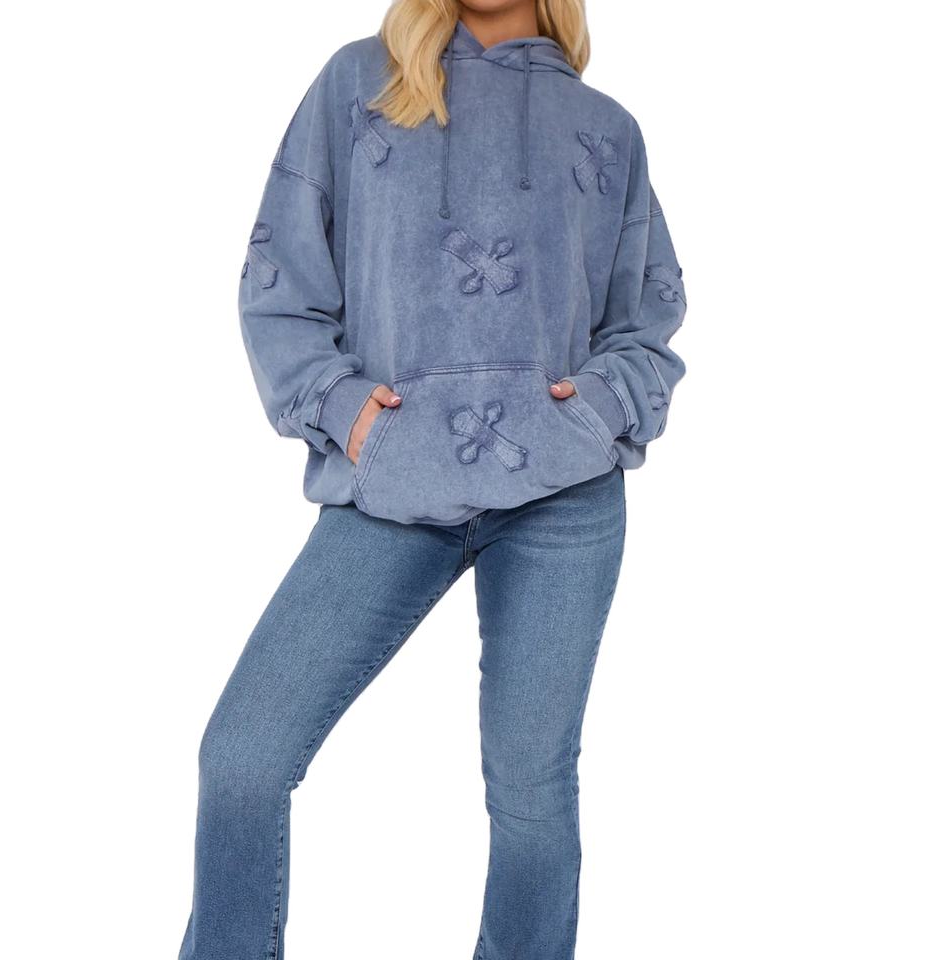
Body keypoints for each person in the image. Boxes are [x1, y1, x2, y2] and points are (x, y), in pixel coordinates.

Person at [178, 0, 687, 957]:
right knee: (242, 759)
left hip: (562, 496)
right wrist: (346, 413)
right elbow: (278, 281)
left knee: (532, 795)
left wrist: (596, 406)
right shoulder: (357, 86)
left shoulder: (606, 128)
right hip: (391, 486)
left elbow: (646, 320)